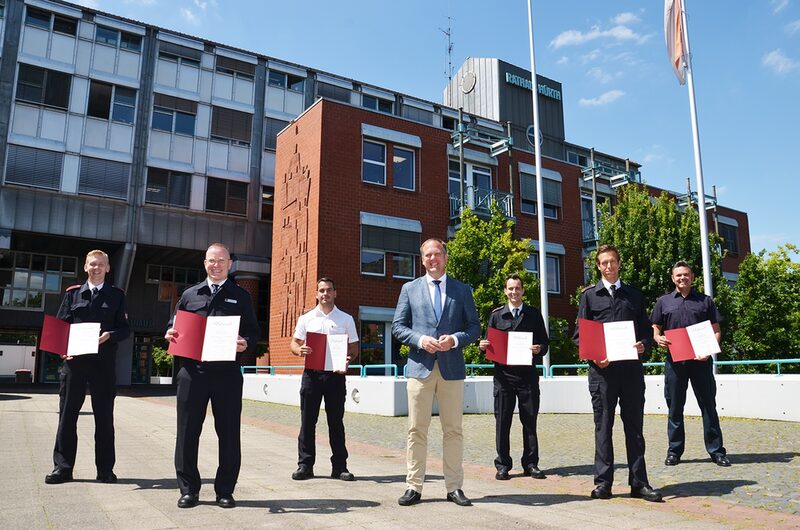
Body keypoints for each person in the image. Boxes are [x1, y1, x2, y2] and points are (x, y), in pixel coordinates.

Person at [165, 243, 259, 509]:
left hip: (227, 374)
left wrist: (246, 342)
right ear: (204, 263)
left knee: (229, 433)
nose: (216, 265)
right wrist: (169, 333)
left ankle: (225, 491)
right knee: (186, 433)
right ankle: (188, 490)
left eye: (221, 260)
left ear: (230, 264)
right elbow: (174, 326)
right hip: (192, 373)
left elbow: (253, 332)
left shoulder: (240, 296)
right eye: (211, 260)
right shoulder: (190, 294)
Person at [392, 238, 481, 507]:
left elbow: (474, 328)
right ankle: (414, 486)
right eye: (428, 255)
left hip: (452, 369)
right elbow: (398, 326)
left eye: (437, 254)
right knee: (416, 429)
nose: (433, 259)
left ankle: (454, 487)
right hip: (420, 368)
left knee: (453, 430)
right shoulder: (409, 289)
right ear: (422, 260)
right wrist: (419, 339)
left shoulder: (462, 289)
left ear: (446, 257)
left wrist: (454, 339)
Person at [574, 244, 663, 502]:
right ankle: (603, 484)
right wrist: (594, 356)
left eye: (612, 261)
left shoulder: (634, 295)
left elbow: (646, 331)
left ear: (619, 263)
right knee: (603, 427)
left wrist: (643, 344)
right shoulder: (589, 297)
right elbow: (579, 337)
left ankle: (639, 483)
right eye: (604, 263)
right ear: (598, 267)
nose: (609, 266)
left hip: (631, 372)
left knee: (634, 428)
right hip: (601, 373)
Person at [45, 250, 130, 485]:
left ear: (108, 268)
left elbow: (125, 329)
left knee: (104, 419)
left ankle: (105, 471)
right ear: (85, 267)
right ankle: (62, 468)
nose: (96, 268)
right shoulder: (73, 295)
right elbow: (61, 325)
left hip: (103, 365)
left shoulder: (117, 295)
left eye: (101, 264)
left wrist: (109, 335)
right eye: (92, 264)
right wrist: (61, 348)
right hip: (75, 364)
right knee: (67, 416)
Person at [651, 261, 729, 467]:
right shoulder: (664, 301)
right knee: (675, 408)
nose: (682, 278)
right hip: (675, 363)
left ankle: (717, 451)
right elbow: (655, 326)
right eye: (678, 275)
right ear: (672, 278)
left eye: (686, 275)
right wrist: (657, 338)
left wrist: (709, 350)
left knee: (708, 407)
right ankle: (674, 452)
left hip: (701, 362)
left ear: (692, 277)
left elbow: (716, 330)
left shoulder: (705, 301)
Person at [479, 273, 549, 481]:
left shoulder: (534, 315)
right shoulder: (496, 315)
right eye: (510, 288)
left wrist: (539, 349)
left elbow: (545, 344)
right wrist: (483, 347)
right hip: (503, 378)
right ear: (505, 291)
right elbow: (488, 344)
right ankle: (503, 465)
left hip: (527, 377)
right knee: (503, 422)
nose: (514, 292)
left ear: (523, 291)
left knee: (529, 421)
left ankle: (531, 463)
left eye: (517, 288)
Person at [290, 277, 359, 482]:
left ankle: (340, 467)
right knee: (307, 421)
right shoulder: (307, 318)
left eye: (329, 290)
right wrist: (299, 350)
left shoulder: (346, 319)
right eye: (321, 290)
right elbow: (294, 344)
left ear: (335, 293)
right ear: (316, 294)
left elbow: (354, 347)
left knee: (336, 422)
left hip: (335, 376)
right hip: (311, 375)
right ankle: (305, 465)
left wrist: (349, 358)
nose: (325, 294)